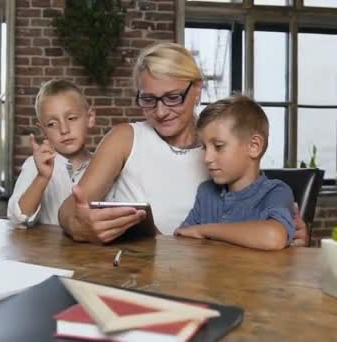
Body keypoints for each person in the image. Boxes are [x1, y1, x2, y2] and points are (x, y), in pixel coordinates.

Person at [58, 42, 309, 246]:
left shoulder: (226, 146)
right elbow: (70, 209)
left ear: (197, 89)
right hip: (139, 271)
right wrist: (80, 226)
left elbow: (259, 209)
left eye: (173, 97)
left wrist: (290, 236)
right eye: (148, 99)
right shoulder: (125, 138)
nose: (161, 111)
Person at [173, 95, 294, 250]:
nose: (207, 158)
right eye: (204, 147)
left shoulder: (275, 191)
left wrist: (204, 230)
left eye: (218, 146)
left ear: (254, 146)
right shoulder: (206, 192)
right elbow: (183, 236)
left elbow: (273, 237)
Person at [7, 80, 95, 227]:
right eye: (52, 124)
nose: (64, 129)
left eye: (71, 118)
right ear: (42, 130)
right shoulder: (35, 166)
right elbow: (17, 218)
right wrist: (42, 177)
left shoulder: (104, 164)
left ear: (90, 118)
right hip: (49, 249)